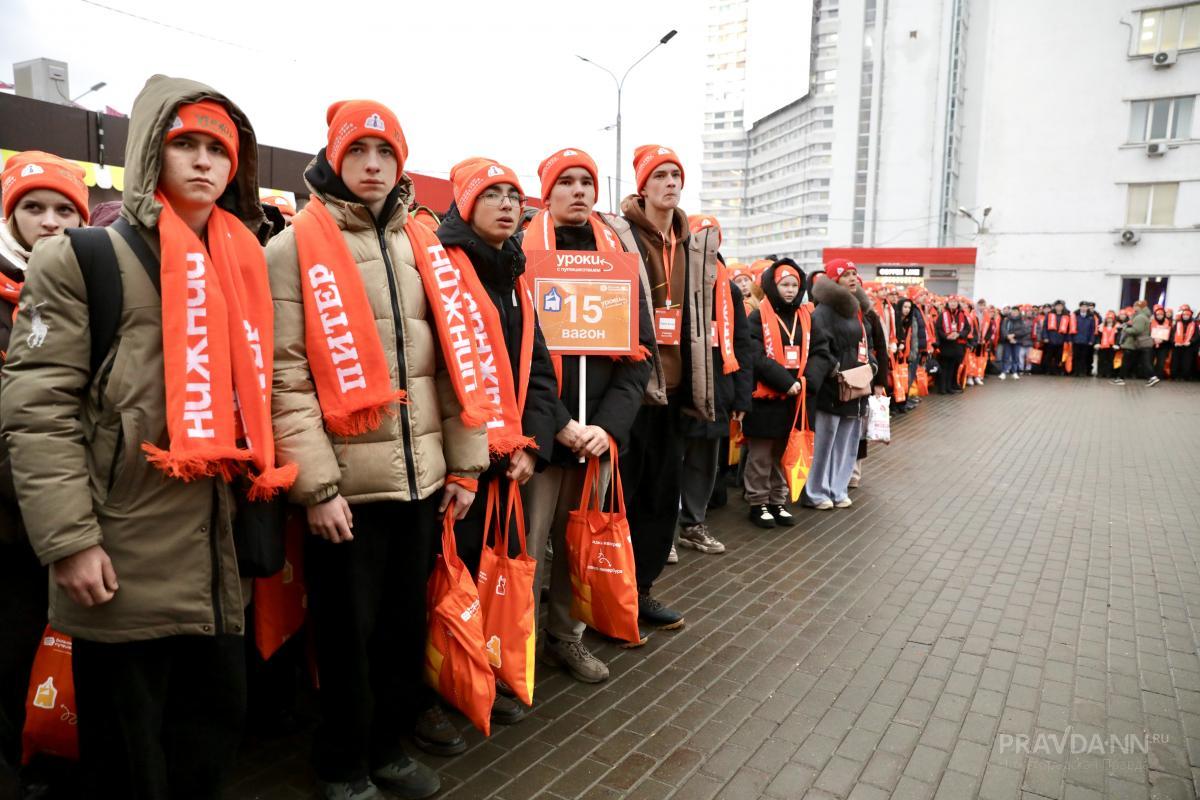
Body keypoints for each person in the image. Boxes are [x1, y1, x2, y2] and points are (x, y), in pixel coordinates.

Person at [3, 75, 294, 800]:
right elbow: (40, 410)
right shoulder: (82, 257)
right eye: (183, 145)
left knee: (207, 746)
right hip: (121, 552)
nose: (202, 162)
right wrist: (69, 540)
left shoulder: (245, 261)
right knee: (127, 763)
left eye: (216, 149)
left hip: (218, 555)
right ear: (146, 155)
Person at [266, 99, 488, 799]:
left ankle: (388, 748)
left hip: (422, 480)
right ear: (334, 159)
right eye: (357, 152)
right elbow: (285, 377)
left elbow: (453, 364)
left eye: (384, 153)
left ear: (400, 164)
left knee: (401, 628)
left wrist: (464, 462)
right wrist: (320, 488)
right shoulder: (295, 247)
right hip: (348, 492)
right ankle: (341, 764)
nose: (371, 165)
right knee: (344, 639)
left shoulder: (421, 244)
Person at [434, 157, 561, 725]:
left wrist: (531, 443)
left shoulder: (517, 272)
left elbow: (536, 369)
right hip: (455, 456)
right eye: (493, 194)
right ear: (463, 203)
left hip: (506, 454)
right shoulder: (440, 265)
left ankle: (479, 672)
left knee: (489, 573)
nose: (509, 204)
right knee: (449, 575)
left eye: (514, 195)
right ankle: (440, 685)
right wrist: (466, 454)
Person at [520, 147, 654, 681]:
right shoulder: (522, 254)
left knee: (580, 545)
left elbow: (639, 353)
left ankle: (565, 637)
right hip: (544, 431)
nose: (578, 191)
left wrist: (605, 428)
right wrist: (560, 424)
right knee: (529, 547)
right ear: (546, 193)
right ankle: (519, 645)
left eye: (586, 183)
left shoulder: (617, 258)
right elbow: (515, 354)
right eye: (566, 182)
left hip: (596, 435)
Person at [0, 150, 89, 791]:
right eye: (34, 207)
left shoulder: (90, 287)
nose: (50, 222)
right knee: (12, 650)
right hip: (12, 523)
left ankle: (56, 760)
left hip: (78, 510)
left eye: (64, 210)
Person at [619, 144, 723, 631]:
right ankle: (608, 593)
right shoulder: (619, 237)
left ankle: (641, 590)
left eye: (675, 175)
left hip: (678, 390)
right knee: (624, 497)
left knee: (663, 497)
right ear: (643, 185)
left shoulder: (692, 243)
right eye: (659, 175)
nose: (670, 183)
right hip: (633, 390)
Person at [672, 215, 752, 554]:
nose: (707, 241)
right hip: (680, 389)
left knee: (705, 464)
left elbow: (744, 346)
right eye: (700, 235)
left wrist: (742, 397)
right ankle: (665, 532)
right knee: (672, 461)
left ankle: (693, 524)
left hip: (719, 390)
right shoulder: (675, 277)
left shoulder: (729, 288)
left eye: (712, 235)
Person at [801, 259, 876, 510]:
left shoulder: (860, 310)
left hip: (858, 387)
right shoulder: (823, 312)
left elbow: (869, 344)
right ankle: (816, 491)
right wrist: (836, 371)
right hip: (833, 387)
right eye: (847, 275)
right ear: (835, 280)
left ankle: (838, 488)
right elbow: (819, 348)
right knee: (825, 442)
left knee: (848, 441)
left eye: (855, 273)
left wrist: (872, 366)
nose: (853, 278)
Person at [742, 259, 807, 527]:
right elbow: (754, 356)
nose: (790, 290)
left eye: (794, 285)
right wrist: (784, 381)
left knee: (783, 453)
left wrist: (804, 381)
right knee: (760, 455)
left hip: (795, 398)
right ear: (773, 286)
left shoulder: (805, 317)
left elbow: (818, 352)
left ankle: (778, 501)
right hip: (764, 397)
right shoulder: (758, 316)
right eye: (784, 285)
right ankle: (758, 503)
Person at [935, 297, 971, 395]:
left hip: (957, 345)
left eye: (955, 302)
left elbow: (967, 328)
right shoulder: (942, 315)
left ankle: (949, 387)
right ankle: (942, 388)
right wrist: (946, 336)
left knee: (952, 367)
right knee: (944, 367)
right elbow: (938, 329)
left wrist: (959, 334)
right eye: (951, 302)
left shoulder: (962, 315)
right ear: (948, 303)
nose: (953, 304)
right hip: (945, 345)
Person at [1115, 300, 1153, 386]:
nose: (1134, 307)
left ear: (1139, 307)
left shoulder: (1140, 317)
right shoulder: (1140, 316)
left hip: (1134, 342)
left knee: (1130, 361)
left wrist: (1125, 329)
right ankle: (1120, 378)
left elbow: (1137, 330)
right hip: (1135, 343)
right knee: (1136, 361)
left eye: (1135, 306)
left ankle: (1152, 377)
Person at [1040, 300, 1073, 377]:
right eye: (1057, 306)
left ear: (1063, 307)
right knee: (1049, 356)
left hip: (1061, 340)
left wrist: (1068, 340)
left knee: (1059, 357)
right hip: (1050, 339)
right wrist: (1045, 337)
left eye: (1060, 306)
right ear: (1055, 307)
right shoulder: (1049, 315)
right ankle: (1048, 370)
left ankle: (1057, 370)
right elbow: (1044, 327)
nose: (1059, 307)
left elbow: (1069, 329)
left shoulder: (1067, 316)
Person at [999, 306, 1030, 380]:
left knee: (1016, 357)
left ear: (1018, 312)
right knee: (1006, 356)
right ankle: (1003, 372)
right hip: (1007, 341)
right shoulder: (1006, 319)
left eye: (1016, 311)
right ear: (1011, 312)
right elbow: (1003, 329)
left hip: (1017, 341)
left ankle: (1014, 372)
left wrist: (1014, 335)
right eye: (1013, 311)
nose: (1014, 313)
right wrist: (1008, 336)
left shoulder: (1021, 320)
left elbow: (1024, 331)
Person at [1172, 305, 1198, 381]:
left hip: (1188, 347)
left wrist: (1190, 342)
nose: (1185, 317)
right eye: (1184, 315)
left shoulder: (1194, 324)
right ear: (1182, 316)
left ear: (1190, 316)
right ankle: (1175, 376)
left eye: (1187, 315)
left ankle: (1185, 376)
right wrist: (1174, 342)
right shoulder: (1177, 323)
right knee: (1176, 362)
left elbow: (1196, 335)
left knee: (1186, 363)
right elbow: (1172, 334)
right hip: (1177, 346)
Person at [1072, 301, 1098, 377]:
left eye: (1085, 307)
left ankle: (1082, 372)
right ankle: (1075, 371)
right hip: (1076, 340)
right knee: (1076, 356)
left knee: (1084, 357)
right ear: (1079, 307)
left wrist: (1091, 340)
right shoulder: (1075, 316)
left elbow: (1092, 329)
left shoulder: (1091, 317)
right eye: (1082, 306)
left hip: (1086, 340)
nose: (1084, 308)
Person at [1149, 306, 1171, 382]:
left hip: (1163, 346)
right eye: (1158, 315)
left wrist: (1163, 340)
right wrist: (1153, 339)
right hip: (1152, 345)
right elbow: (1149, 333)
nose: (1159, 316)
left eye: (1161, 315)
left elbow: (1170, 335)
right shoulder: (1151, 322)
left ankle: (1158, 376)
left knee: (1160, 362)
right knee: (1150, 361)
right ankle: (1151, 376)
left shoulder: (1168, 323)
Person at [1096, 311, 1120, 379]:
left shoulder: (1117, 326)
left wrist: (1116, 344)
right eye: (1108, 318)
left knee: (1110, 360)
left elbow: (1118, 336)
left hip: (1112, 346)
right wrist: (1098, 343)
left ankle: (1109, 373)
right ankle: (1100, 373)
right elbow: (1098, 336)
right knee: (1101, 360)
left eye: (1111, 318)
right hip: (1103, 346)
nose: (1109, 319)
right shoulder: (1101, 326)